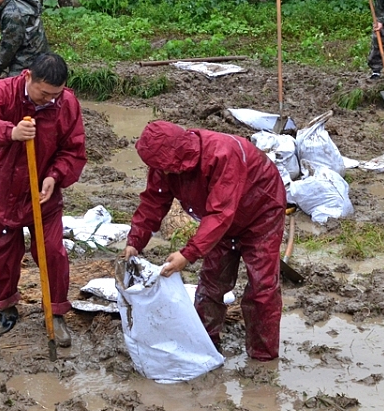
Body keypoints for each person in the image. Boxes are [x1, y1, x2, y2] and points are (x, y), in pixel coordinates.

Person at [123, 120, 286, 361]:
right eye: (160, 169)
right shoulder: (163, 163)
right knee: (211, 283)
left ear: (181, 154)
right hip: (216, 220)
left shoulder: (222, 154)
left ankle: (262, 357)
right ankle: (206, 345)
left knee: (261, 287)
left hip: (260, 212)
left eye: (168, 168)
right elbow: (153, 201)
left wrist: (188, 254)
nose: (164, 173)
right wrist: (135, 240)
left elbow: (221, 212)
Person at [0, 52, 86, 346]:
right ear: (28, 77)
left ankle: (56, 311)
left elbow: (73, 150)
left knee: (52, 251)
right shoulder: (0, 92)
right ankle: (6, 310)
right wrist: (11, 132)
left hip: (43, 192)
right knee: (0, 252)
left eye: (55, 95)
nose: (50, 100)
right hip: (2, 190)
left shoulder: (66, 103)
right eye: (44, 93)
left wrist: (55, 176)